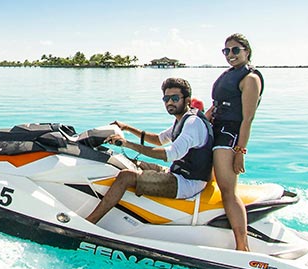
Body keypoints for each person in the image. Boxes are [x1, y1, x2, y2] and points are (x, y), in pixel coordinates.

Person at [85, 78, 215, 224]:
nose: (170, 102)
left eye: (175, 98)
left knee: (126, 176)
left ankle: (90, 222)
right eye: (166, 98)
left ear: (187, 100)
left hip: (188, 183)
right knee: (126, 162)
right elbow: (159, 139)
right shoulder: (182, 119)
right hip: (176, 173)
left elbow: (170, 154)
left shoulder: (192, 123)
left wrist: (128, 144)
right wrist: (127, 128)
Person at [206, 33, 264, 252]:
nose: (230, 54)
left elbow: (248, 118)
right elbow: (216, 105)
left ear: (246, 51)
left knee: (228, 191)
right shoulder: (229, 74)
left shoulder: (250, 78)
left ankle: (243, 247)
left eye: (235, 50)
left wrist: (240, 150)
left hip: (229, 137)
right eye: (226, 51)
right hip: (215, 131)